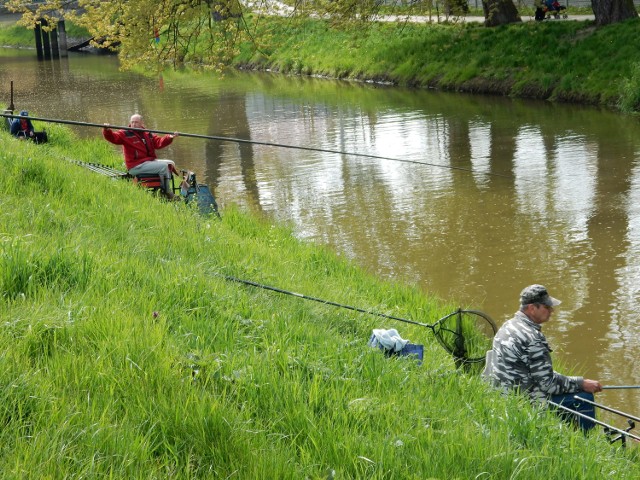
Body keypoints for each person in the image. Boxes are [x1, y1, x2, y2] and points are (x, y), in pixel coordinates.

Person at [482, 284, 602, 430]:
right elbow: (548, 384)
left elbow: (536, 372)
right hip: (523, 402)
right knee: (584, 398)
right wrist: (581, 383)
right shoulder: (533, 338)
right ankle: (584, 443)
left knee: (570, 388)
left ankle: (565, 430)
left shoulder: (508, 326)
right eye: (547, 307)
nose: (552, 310)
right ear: (532, 308)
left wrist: (572, 381)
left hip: (502, 395)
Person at [102, 114, 180, 200]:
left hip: (147, 162)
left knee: (170, 163)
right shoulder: (124, 133)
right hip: (135, 166)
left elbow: (158, 142)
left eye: (136, 122)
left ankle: (162, 187)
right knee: (163, 166)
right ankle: (167, 192)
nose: (134, 124)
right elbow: (113, 137)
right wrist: (107, 130)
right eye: (132, 122)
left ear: (141, 123)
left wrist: (169, 137)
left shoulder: (147, 133)